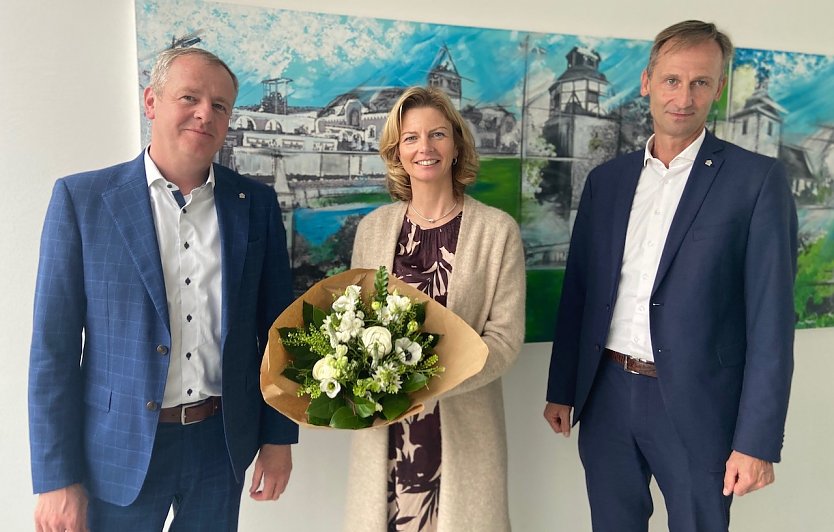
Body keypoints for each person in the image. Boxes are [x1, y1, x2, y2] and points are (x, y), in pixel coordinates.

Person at [28, 47, 298, 531]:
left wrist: (279, 439)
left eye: (219, 105)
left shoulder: (254, 204)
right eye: (189, 97)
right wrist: (55, 478)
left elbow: (281, 331)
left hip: (222, 446)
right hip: (117, 449)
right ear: (151, 101)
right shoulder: (82, 200)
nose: (204, 114)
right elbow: (53, 351)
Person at [543, 20, 797, 532]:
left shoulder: (756, 181)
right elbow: (581, 292)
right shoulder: (607, 181)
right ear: (647, 82)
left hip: (698, 405)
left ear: (718, 89)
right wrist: (562, 387)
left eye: (701, 82)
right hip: (606, 395)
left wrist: (756, 441)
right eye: (672, 80)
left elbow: (771, 322)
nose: (684, 96)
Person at [345, 86, 525, 531]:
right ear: (396, 151)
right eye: (410, 138)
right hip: (386, 437)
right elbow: (351, 325)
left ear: (457, 145)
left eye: (437, 135)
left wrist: (429, 384)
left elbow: (504, 340)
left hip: (463, 431)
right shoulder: (372, 230)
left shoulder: (497, 231)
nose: (424, 147)